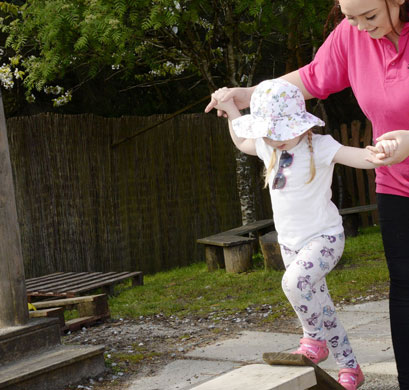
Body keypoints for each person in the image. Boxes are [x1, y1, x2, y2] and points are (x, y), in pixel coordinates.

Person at [205, 1, 409, 389]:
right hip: (398, 185)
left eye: (369, 16)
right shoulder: (352, 36)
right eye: (348, 16)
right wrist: (244, 98)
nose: (358, 27)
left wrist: (397, 147)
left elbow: (357, 156)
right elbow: (312, 77)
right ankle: (358, 365)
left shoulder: (319, 146)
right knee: (403, 287)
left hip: (328, 230)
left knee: (296, 283)